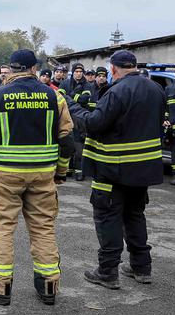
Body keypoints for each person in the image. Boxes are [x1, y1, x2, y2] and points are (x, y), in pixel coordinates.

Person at [0, 50, 75, 306]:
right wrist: (61, 172)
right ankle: (48, 286)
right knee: (43, 228)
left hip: (6, 176)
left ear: (12, 69)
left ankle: (0, 288)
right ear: (34, 68)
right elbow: (67, 141)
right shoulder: (54, 96)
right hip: (43, 175)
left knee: (2, 228)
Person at [67, 50, 166, 290]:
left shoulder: (117, 91)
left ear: (113, 69)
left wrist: (70, 105)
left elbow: (94, 123)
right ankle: (141, 267)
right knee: (134, 215)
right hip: (143, 168)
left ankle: (107, 271)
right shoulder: (156, 89)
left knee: (108, 217)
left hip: (113, 168)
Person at [59, 63, 95, 181]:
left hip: (80, 118)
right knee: (68, 142)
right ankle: (68, 169)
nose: (78, 74)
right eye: (76, 72)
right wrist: (75, 97)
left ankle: (80, 171)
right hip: (66, 116)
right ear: (73, 72)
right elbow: (60, 96)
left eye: (80, 72)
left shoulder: (87, 85)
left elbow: (84, 100)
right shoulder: (65, 83)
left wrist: (69, 96)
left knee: (80, 145)